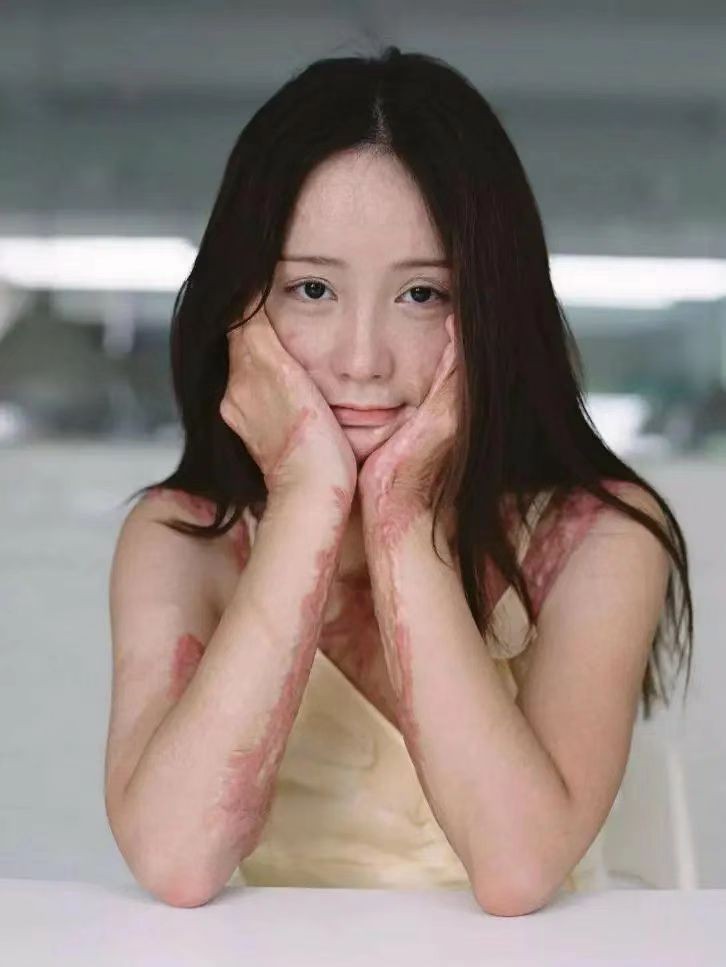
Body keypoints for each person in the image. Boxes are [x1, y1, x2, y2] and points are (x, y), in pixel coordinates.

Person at [103, 47, 693, 914]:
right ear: (241, 311)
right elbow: (176, 860)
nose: (363, 359)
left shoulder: (598, 537)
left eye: (422, 295)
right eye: (312, 288)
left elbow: (517, 869)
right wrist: (305, 502)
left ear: (493, 311)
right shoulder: (182, 537)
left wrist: (401, 518)